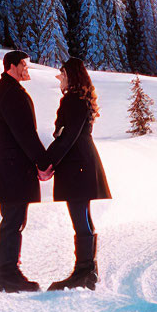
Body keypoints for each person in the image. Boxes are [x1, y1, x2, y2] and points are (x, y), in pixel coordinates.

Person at [0, 50, 54, 293]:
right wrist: (43, 161)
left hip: (7, 168)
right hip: (12, 169)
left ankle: (9, 273)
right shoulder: (10, 94)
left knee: (12, 220)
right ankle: (9, 275)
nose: (27, 69)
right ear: (11, 66)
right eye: (24, 64)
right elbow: (25, 134)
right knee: (13, 221)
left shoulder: (1, 91)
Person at [45, 57, 111, 291]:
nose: (59, 79)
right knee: (83, 217)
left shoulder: (72, 100)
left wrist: (46, 163)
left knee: (80, 218)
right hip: (83, 163)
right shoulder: (79, 99)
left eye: (61, 74)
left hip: (78, 166)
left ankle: (83, 273)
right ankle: (88, 271)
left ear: (70, 75)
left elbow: (67, 137)